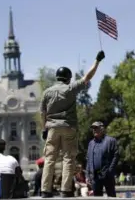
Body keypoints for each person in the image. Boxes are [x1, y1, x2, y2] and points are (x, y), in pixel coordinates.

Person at [40, 51, 105, 198]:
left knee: (49, 159)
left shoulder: (47, 92)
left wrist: (44, 128)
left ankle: (45, 190)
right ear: (68, 78)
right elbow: (87, 77)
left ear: (57, 77)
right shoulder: (71, 89)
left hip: (52, 128)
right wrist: (97, 61)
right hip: (69, 127)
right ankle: (65, 190)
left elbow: (42, 113)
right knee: (68, 158)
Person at [86, 121, 119, 197]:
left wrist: (110, 170)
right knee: (97, 197)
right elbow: (88, 160)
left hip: (107, 175)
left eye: (96, 128)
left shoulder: (111, 140)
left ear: (102, 129)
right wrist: (87, 175)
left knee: (111, 196)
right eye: (93, 128)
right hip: (95, 176)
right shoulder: (91, 143)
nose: (94, 130)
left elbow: (116, 156)